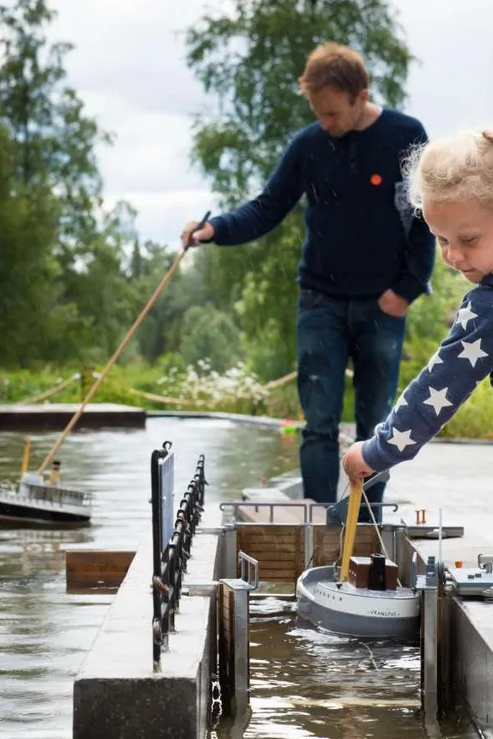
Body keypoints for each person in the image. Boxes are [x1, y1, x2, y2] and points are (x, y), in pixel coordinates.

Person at [342, 127, 493, 631]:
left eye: (468, 239)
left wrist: (375, 452)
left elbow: (439, 388)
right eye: (440, 240)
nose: (453, 255)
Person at [182, 42, 435, 513]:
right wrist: (214, 230)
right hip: (320, 300)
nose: (326, 124)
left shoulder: (406, 135)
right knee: (318, 423)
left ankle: (366, 524)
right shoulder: (309, 145)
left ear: (361, 96)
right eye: (318, 113)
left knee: (375, 424)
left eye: (334, 113)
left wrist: (408, 288)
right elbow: (266, 207)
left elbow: (426, 215)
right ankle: (318, 522)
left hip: (383, 305)